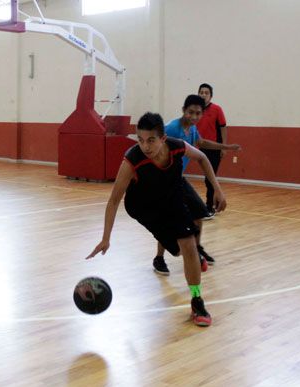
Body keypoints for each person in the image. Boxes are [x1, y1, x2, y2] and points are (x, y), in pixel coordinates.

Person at [86, 112, 228, 327]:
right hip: (143, 207)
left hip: (171, 198)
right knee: (180, 250)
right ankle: (188, 257)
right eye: (141, 140)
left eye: (151, 140)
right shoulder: (132, 159)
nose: (145, 146)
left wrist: (217, 188)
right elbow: (113, 201)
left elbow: (202, 157)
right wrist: (106, 238)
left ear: (163, 139)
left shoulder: (177, 146)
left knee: (189, 245)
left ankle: (197, 299)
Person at [153, 95, 240, 276]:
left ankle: (197, 249)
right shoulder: (171, 129)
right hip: (162, 181)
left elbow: (201, 144)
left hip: (178, 179)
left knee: (199, 212)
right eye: (190, 112)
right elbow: (153, 151)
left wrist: (226, 147)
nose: (194, 117)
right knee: (168, 221)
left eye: (198, 113)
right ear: (183, 110)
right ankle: (159, 258)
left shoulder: (191, 130)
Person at [197, 83, 228, 218]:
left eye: (206, 93)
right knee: (208, 178)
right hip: (201, 148)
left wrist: (224, 146)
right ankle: (215, 202)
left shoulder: (217, 109)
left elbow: (223, 127)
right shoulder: (196, 110)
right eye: (201, 92)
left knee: (210, 178)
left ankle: (209, 207)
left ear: (211, 95)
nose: (204, 95)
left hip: (215, 149)